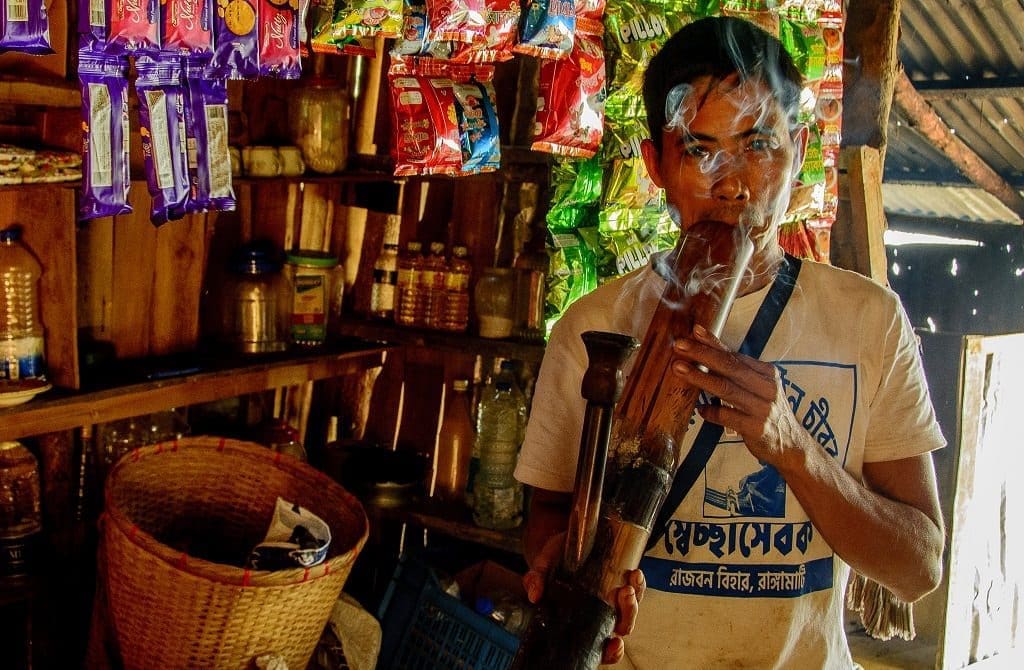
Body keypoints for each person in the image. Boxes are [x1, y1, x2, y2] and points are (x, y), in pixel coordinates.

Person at [514, 15, 945, 669]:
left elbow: (918, 567)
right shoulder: (592, 328)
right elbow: (546, 511)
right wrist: (567, 561)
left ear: (800, 149)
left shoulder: (870, 321)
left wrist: (794, 447)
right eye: (699, 150)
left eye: (759, 144)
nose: (733, 183)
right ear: (656, 163)